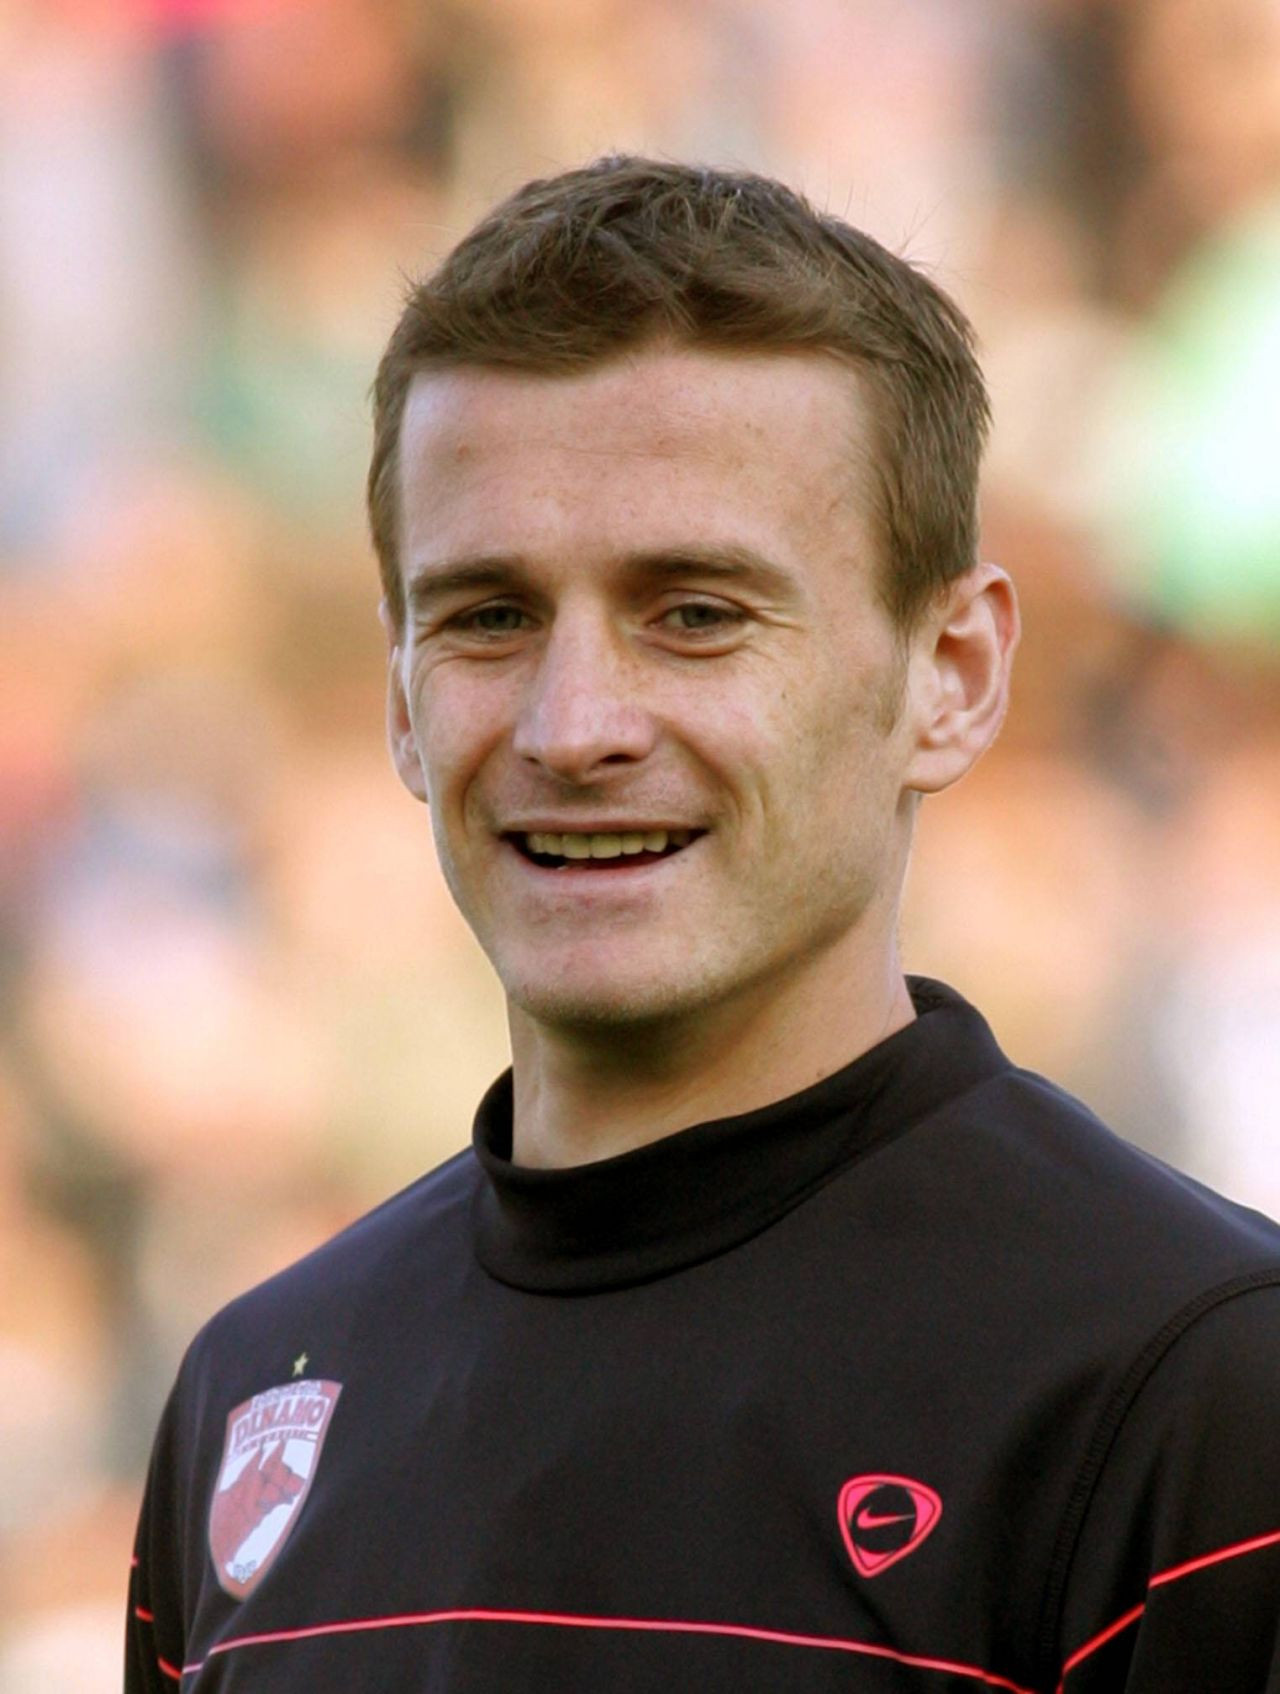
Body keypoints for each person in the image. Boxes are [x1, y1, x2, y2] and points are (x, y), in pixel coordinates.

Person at [126, 158, 1280, 1694]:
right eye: (489, 616)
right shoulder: (252, 1395)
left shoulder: (1199, 1385)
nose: (574, 725)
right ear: (400, 696)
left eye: (696, 613)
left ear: (952, 673)